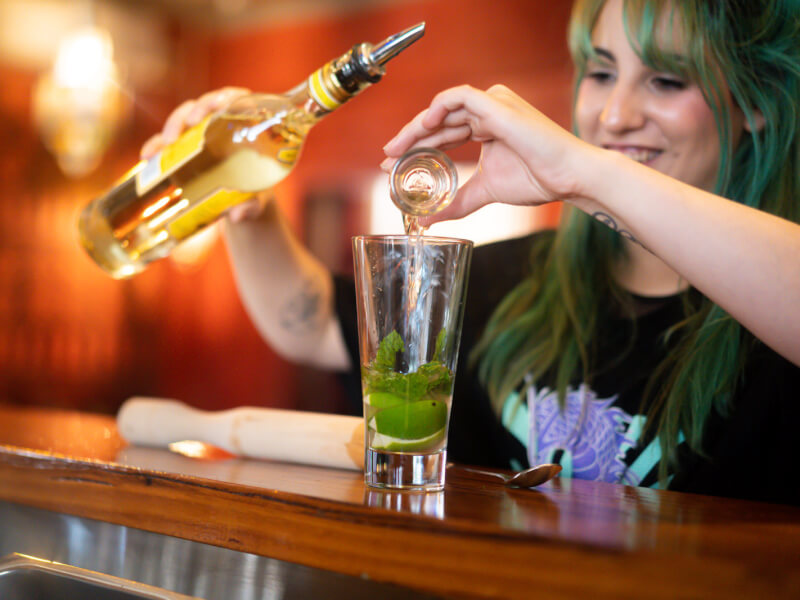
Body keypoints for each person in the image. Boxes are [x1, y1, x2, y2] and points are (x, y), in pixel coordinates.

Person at [143, 0, 800, 504]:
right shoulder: (517, 282)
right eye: (601, 73)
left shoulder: (771, 306)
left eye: (666, 81)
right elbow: (316, 323)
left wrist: (585, 174)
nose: (614, 116)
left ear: (752, 102)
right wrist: (247, 210)